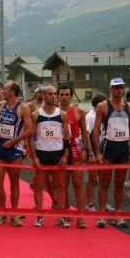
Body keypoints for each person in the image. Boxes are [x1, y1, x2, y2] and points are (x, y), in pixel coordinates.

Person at [92, 78, 130, 228]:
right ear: (110, 89)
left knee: (119, 183)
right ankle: (102, 215)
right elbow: (96, 130)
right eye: (116, 87)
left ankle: (118, 214)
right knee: (104, 182)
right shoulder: (102, 106)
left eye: (121, 87)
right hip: (108, 146)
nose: (119, 90)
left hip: (124, 146)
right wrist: (97, 152)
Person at [0, 81, 34, 226]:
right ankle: (2, 212)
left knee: (14, 182)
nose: (2, 91)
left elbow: (30, 129)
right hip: (0, 147)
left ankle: (14, 213)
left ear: (12, 92)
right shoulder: (1, 105)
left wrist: (14, 141)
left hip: (15, 149)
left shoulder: (23, 107)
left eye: (5, 89)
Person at [28, 86, 70, 227]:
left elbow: (67, 136)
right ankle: (39, 215)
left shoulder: (62, 114)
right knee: (39, 185)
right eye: (50, 94)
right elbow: (31, 138)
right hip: (42, 153)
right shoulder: (36, 115)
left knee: (61, 185)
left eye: (54, 94)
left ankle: (61, 216)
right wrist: (34, 157)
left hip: (57, 153)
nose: (53, 96)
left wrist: (65, 154)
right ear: (44, 96)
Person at [57, 84, 87, 228]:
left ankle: (81, 216)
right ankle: (65, 212)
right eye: (61, 95)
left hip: (75, 151)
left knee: (78, 184)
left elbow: (85, 132)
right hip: (59, 151)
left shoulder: (79, 111)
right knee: (62, 184)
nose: (64, 98)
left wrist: (86, 150)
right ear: (57, 96)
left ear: (71, 96)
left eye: (66, 95)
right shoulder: (54, 112)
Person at [85, 93, 108, 211]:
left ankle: (103, 203)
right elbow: (86, 135)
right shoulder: (90, 116)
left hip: (103, 150)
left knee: (103, 179)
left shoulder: (102, 115)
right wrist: (91, 153)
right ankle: (89, 203)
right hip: (94, 152)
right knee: (92, 178)